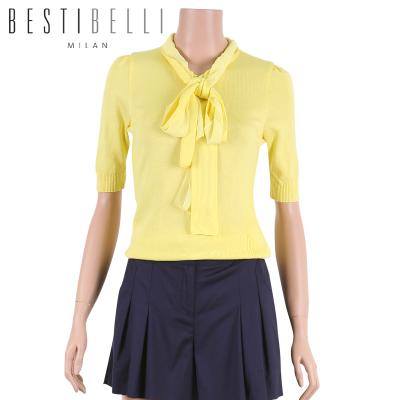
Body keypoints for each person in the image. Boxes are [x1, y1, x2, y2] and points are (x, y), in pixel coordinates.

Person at [64, 8, 319, 400]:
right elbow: (106, 201)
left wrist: (301, 328)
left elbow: (288, 208)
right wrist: (79, 315)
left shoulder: (269, 81)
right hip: (152, 282)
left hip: (238, 286)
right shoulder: (129, 74)